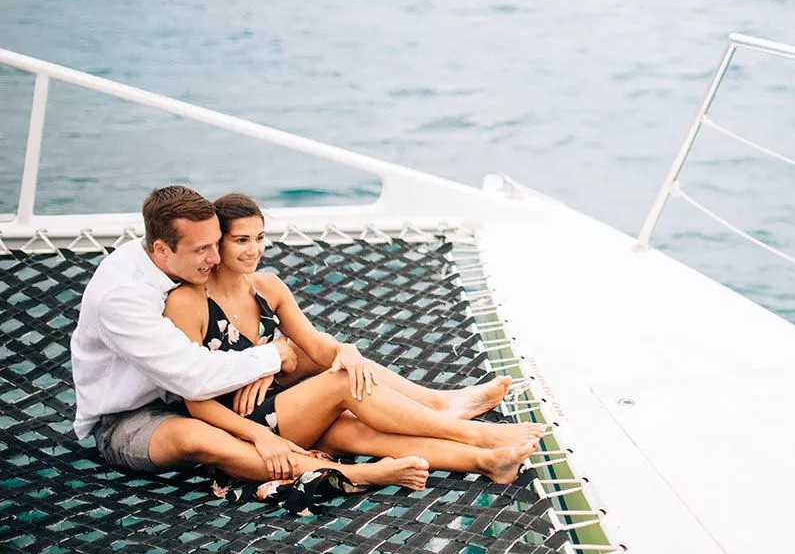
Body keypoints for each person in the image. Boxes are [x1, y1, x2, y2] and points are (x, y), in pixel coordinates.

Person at [162, 192, 541, 484]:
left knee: (356, 427)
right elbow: (196, 400)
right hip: (241, 428)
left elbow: (314, 346)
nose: (254, 250)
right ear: (218, 244)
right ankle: (473, 433)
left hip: (285, 407)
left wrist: (347, 350)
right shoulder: (187, 303)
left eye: (259, 237)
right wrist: (262, 437)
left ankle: (486, 462)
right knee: (343, 381)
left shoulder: (266, 286)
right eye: (241, 240)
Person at [72, 185, 433, 491]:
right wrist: (272, 362)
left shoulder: (176, 258)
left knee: (315, 354)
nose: (215, 258)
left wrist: (304, 351)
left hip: (193, 394)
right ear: (161, 249)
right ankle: (353, 474)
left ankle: (434, 403)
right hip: (132, 416)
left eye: (216, 244)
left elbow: (286, 345)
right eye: (202, 250)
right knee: (198, 438)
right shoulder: (122, 298)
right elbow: (193, 378)